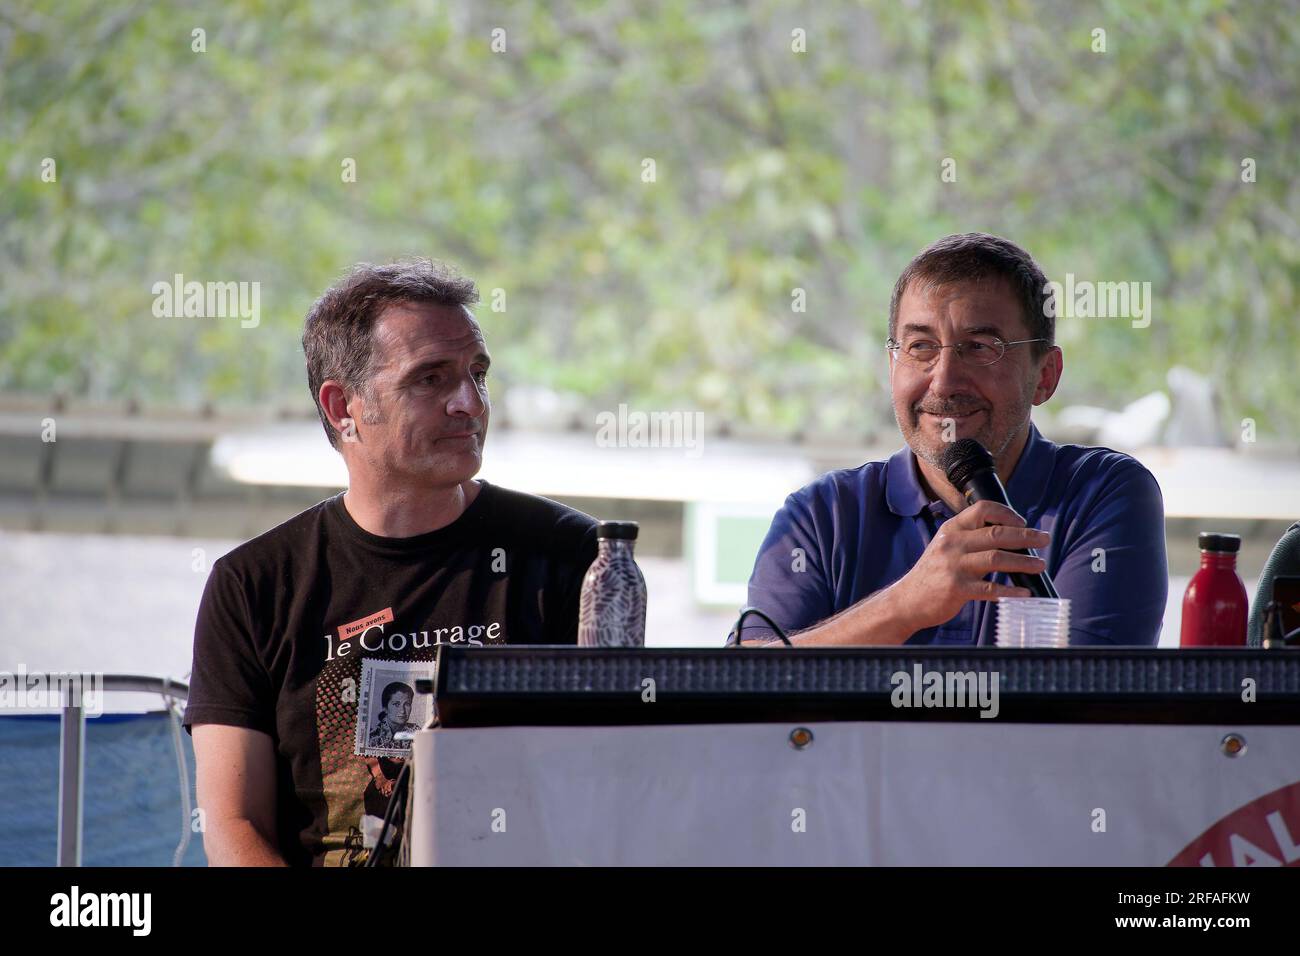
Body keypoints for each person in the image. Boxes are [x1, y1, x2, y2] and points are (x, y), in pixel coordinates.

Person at [183, 259, 598, 865]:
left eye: (477, 374)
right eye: (430, 379)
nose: (470, 404)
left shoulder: (570, 556)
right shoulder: (254, 583)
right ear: (342, 406)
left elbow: (601, 789)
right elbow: (234, 824)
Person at [737, 233, 1168, 646]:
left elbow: (1090, 700)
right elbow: (741, 685)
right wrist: (905, 605)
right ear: (892, 366)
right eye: (921, 346)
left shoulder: (1102, 495)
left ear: (1046, 376)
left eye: (980, 347)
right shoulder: (821, 516)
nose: (943, 380)